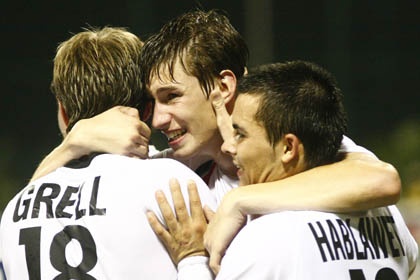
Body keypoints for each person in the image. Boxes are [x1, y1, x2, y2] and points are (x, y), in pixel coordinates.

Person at [29, 9, 401, 270]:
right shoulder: (170, 171)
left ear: (222, 87)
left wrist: (239, 201)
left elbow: (383, 179)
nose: (157, 119)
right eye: (151, 102)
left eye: (172, 97)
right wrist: (71, 146)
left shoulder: (290, 148)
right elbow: (34, 209)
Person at [150, 61, 418, 279]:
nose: (229, 146)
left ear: (289, 148)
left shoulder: (265, 237)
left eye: (240, 134)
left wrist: (193, 260)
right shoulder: (388, 215)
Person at [0, 27, 216, 279]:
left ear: (63, 112)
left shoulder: (16, 211)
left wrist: (72, 143)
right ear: (147, 110)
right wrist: (194, 262)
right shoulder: (173, 184)